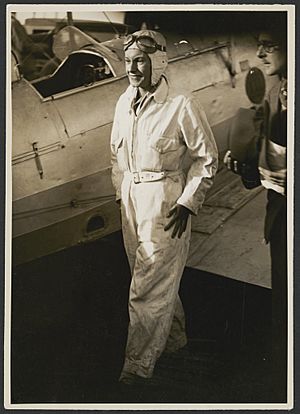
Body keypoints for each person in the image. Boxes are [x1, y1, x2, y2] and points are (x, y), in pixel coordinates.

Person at [110, 30, 218, 385]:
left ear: (157, 62)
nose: (132, 69)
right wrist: (120, 194)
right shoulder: (124, 102)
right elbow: (116, 156)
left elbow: (206, 158)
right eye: (128, 61)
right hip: (131, 202)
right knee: (153, 282)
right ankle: (173, 345)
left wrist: (188, 202)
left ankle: (136, 370)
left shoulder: (181, 104)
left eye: (139, 60)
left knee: (146, 288)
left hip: (164, 203)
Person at [225, 25, 287, 400]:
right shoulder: (277, 94)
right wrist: (246, 168)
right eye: (259, 46)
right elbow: (268, 163)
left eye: (269, 46)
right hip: (279, 216)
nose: (261, 54)